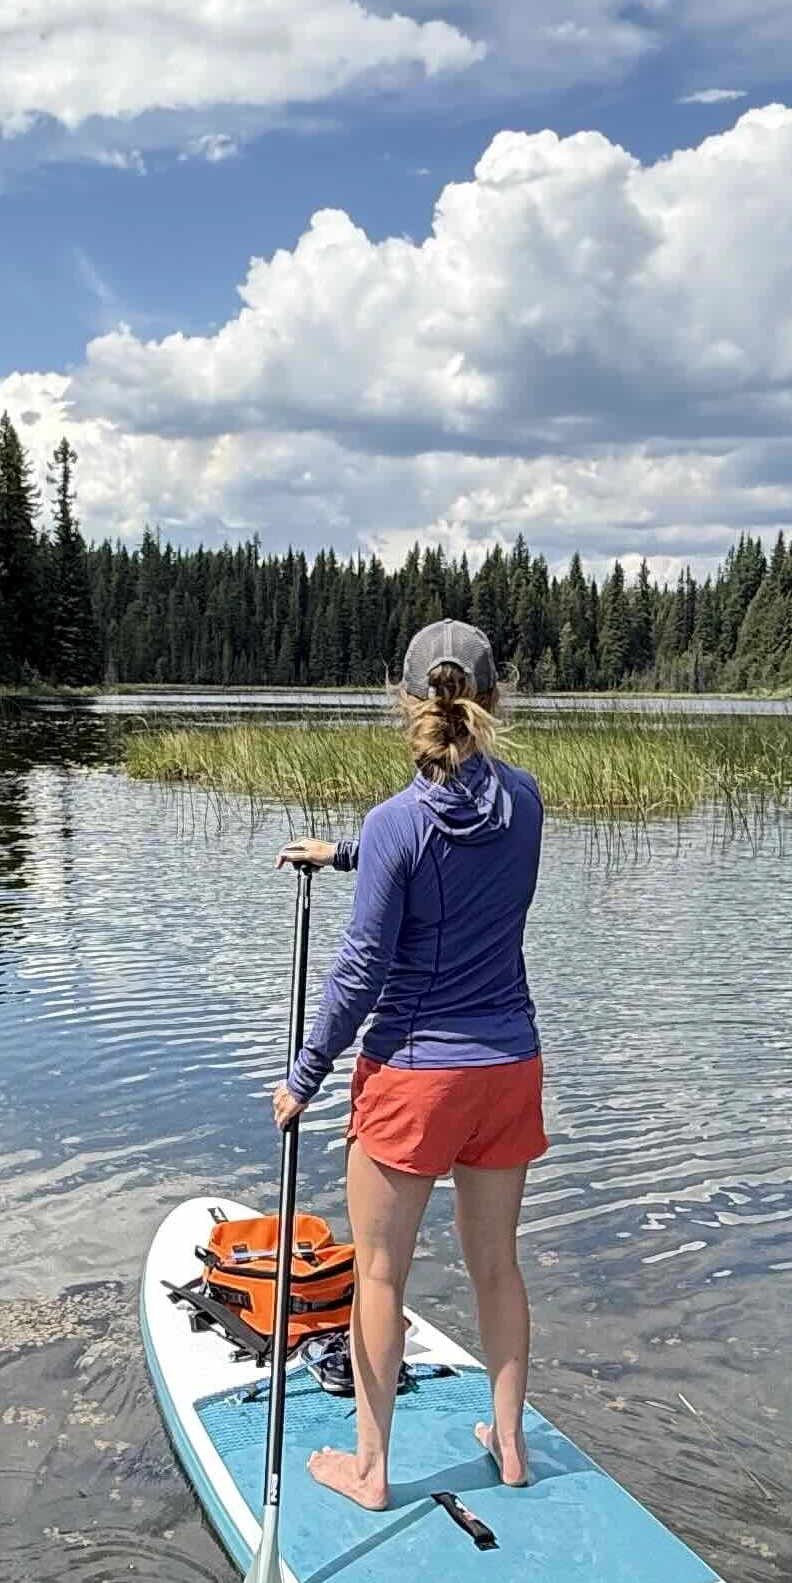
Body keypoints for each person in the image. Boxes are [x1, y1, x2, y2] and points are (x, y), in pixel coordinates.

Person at [272, 619, 545, 1511]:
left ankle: (372, 1470)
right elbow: (462, 852)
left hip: (416, 1079)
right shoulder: (530, 803)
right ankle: (508, 1446)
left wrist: (304, 1075)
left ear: (407, 701)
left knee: (381, 1275)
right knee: (496, 1266)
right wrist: (348, 852)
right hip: (508, 1067)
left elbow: (362, 969)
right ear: (492, 698)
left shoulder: (395, 824)